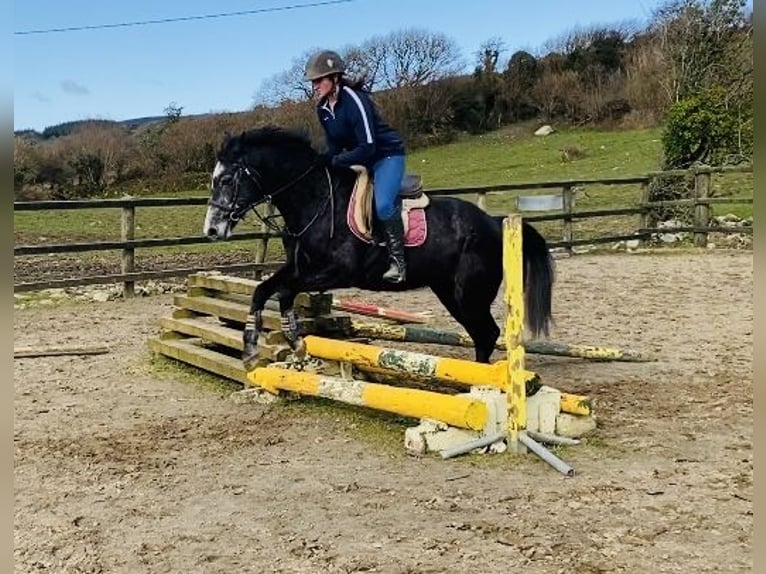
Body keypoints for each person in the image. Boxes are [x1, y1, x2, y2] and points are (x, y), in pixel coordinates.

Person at [305, 49, 408, 284]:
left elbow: (368, 147)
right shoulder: (322, 109)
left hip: (386, 157)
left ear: (335, 78)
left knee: (383, 206)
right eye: (313, 81)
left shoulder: (354, 100)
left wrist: (336, 161)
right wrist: (321, 162)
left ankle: (398, 262)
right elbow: (333, 147)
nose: (315, 85)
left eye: (319, 80)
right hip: (359, 161)